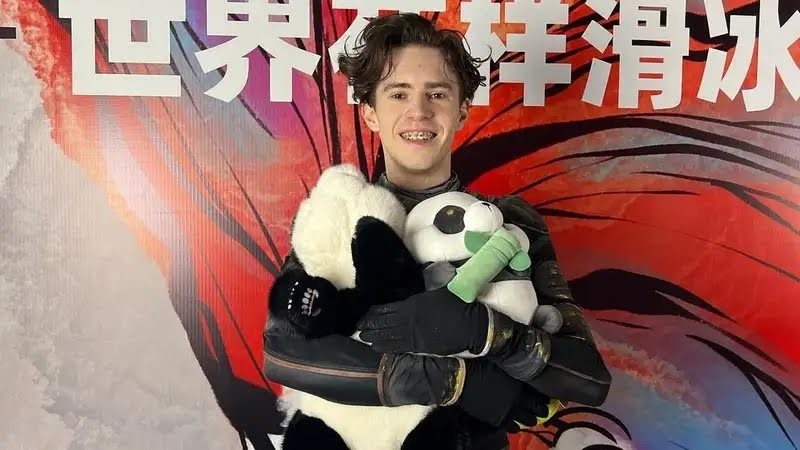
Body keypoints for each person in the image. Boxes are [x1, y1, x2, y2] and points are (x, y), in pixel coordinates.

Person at [262, 12, 612, 449]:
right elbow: (282, 354)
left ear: (462, 109)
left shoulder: (509, 223)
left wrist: (486, 332)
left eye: (437, 93)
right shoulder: (339, 212)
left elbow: (588, 378)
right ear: (370, 113)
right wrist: (457, 380)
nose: (419, 111)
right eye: (398, 93)